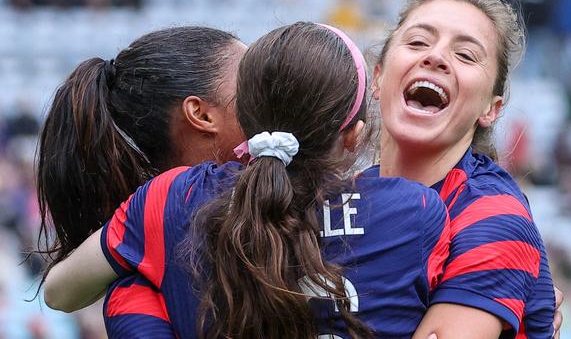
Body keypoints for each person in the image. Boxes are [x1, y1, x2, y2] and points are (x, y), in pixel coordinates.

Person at [43, 22, 451, 338]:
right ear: (355, 135)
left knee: (128, 289)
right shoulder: (413, 208)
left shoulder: (169, 202)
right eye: (254, 80)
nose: (279, 87)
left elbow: (59, 291)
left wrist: (135, 297)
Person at [370, 0, 556, 339]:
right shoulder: (341, 199)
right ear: (378, 77)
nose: (436, 57)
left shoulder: (496, 218)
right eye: (417, 43)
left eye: (466, 55)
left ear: (491, 109)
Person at [36, 26, 247, 336]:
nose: (269, 91)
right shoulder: (162, 206)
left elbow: (60, 291)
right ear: (200, 114)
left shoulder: (156, 214)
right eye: (252, 82)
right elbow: (57, 291)